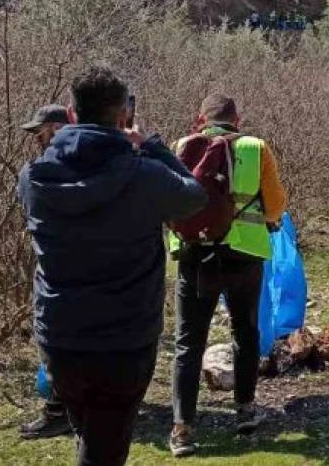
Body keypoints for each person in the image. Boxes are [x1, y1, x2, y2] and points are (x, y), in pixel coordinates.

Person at [18, 67, 206, 466]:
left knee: (92, 432)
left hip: (58, 335)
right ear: (123, 117)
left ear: (70, 114)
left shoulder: (32, 179)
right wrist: (152, 145)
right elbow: (193, 196)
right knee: (105, 442)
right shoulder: (145, 175)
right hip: (124, 339)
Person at [166, 94, 288, 458]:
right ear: (238, 119)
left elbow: (172, 200)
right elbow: (277, 204)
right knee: (245, 332)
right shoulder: (255, 146)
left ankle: (182, 429)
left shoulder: (181, 145)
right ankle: (246, 411)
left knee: (188, 343)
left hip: (194, 256)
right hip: (244, 254)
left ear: (200, 119)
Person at [17, 104, 73, 441]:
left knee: (52, 344)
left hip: (55, 274)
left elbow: (27, 207)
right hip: (92, 271)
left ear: (55, 129)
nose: (37, 138)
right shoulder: (94, 169)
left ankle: (58, 412)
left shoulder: (34, 173)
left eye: (40, 131)